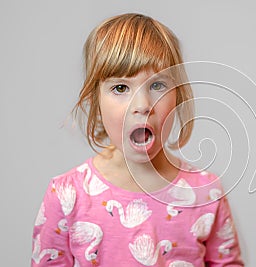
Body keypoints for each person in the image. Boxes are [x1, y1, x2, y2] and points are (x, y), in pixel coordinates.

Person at [31, 13, 244, 267]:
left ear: (179, 95)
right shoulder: (67, 195)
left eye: (157, 86)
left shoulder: (207, 192)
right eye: (121, 88)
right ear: (95, 101)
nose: (142, 106)